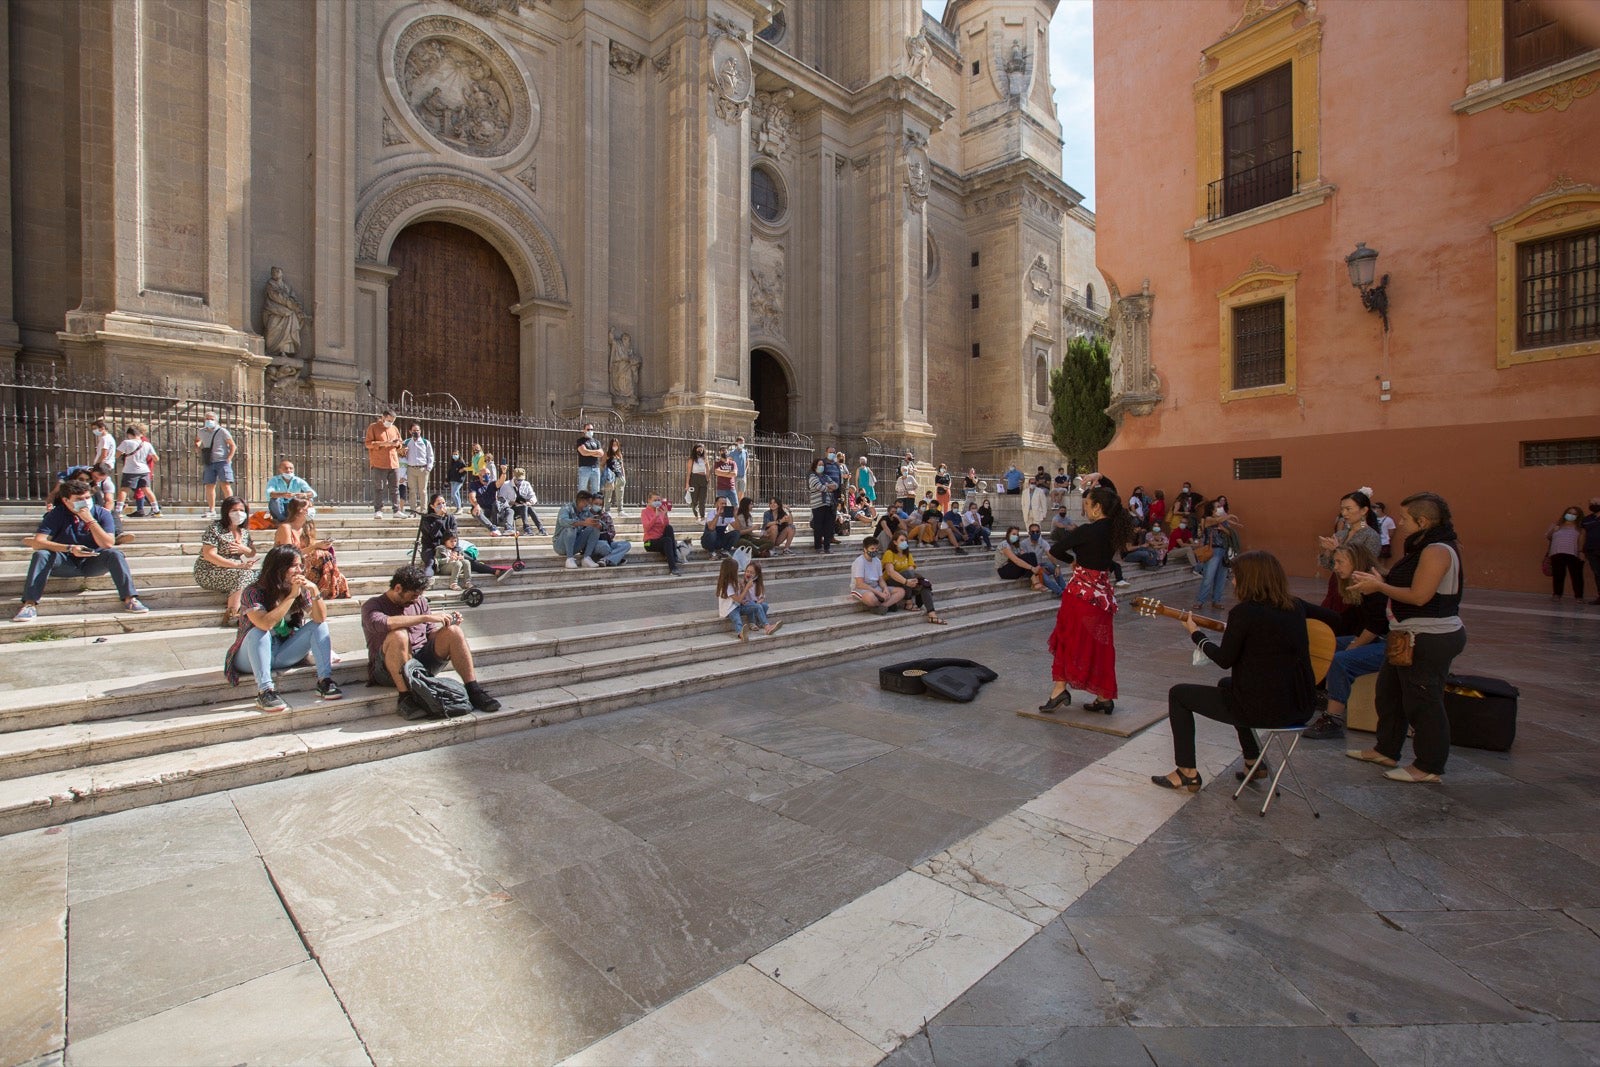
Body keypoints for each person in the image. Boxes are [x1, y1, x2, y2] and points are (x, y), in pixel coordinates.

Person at [1151, 551, 1316, 793]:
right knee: (1226, 684)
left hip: (1263, 710)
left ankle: (1186, 772)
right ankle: (1253, 761)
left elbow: (1224, 659)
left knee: (1178, 694)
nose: (1233, 581)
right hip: (1300, 706)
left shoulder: (1244, 612)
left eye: (1236, 576)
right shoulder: (1296, 607)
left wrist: (1196, 634)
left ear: (1251, 579)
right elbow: (1334, 619)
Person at [1346, 492, 1466, 784]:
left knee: (1424, 702)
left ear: (1422, 521)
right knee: (1389, 693)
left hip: (1429, 637)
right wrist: (1381, 578)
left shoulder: (1437, 550)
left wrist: (1380, 587)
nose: (1399, 523)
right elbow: (1410, 582)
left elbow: (1420, 596)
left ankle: (1428, 765)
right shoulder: (1422, 548)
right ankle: (1386, 750)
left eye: (1404, 518)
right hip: (1406, 636)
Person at [361, 565, 501, 716]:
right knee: (399, 634)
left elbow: (431, 635)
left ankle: (473, 690)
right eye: (413, 596)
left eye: (419, 596)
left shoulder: (420, 602)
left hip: (419, 663)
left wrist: (446, 627)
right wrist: (425, 617)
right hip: (386, 670)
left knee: (454, 631)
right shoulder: (372, 605)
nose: (416, 600)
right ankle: (405, 697)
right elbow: (382, 623)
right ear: (398, 588)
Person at [1039, 486, 1131, 714]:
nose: (1085, 509)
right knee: (1100, 645)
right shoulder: (1115, 529)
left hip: (1080, 595)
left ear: (1098, 507)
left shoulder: (1088, 531)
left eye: (1088, 505)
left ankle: (1059, 689)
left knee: (1068, 638)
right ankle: (1104, 696)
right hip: (1102, 596)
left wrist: (1072, 561)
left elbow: (1055, 550)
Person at [220, 546, 342, 711]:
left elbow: (320, 618)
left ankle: (325, 681)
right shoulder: (253, 592)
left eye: (301, 565)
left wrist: (314, 590)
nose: (299, 570)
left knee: (319, 626)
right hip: (249, 657)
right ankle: (265, 691)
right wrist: (291, 596)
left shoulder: (300, 589)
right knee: (259, 631)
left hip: (283, 652)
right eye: (294, 566)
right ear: (278, 568)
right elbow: (265, 624)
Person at [15, 478, 149, 622]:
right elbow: (38, 542)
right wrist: (70, 548)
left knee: (115, 554)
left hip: (93, 561)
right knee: (41, 554)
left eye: (87, 497)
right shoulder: (56, 514)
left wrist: (90, 520)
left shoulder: (102, 513)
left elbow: (108, 543)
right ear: (66, 500)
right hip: (65, 562)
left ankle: (130, 599)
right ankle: (29, 604)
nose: (84, 502)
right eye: (79, 499)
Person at [1302, 542, 1388, 740]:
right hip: (1372, 637)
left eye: (1340, 562)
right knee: (1322, 645)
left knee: (1341, 660)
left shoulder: (1373, 584)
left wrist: (1354, 646)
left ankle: (1333, 719)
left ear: (1356, 561)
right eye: (1335, 562)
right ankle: (1315, 691)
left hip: (1387, 643)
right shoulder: (1354, 585)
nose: (1336, 567)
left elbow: (1375, 626)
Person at [194, 495, 259, 626]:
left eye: (241, 510)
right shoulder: (215, 528)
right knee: (244, 575)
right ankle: (232, 614)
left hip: (234, 570)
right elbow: (209, 555)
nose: (238, 513)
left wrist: (244, 550)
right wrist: (237, 565)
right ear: (226, 511)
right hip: (210, 571)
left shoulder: (244, 532)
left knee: (262, 575)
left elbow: (252, 552)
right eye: (234, 510)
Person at [1317, 491, 1382, 611]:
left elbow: (1366, 565)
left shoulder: (1371, 536)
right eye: (1342, 509)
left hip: (1354, 587)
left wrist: (1337, 550)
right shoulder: (1340, 534)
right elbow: (1327, 565)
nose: (1344, 513)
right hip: (1336, 584)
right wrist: (1328, 550)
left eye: (1348, 509)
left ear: (1364, 510)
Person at [276, 497, 350, 599]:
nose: (312, 510)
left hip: (304, 562)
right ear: (299, 510)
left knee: (325, 555)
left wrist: (322, 546)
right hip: (288, 564)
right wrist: (315, 546)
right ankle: (324, 590)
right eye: (309, 507)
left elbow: (311, 548)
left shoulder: (307, 527)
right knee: (322, 556)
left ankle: (324, 590)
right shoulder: (285, 528)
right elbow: (289, 554)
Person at [882, 531, 948, 625]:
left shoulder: (908, 555)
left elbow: (911, 571)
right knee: (907, 574)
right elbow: (890, 572)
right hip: (891, 581)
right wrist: (906, 581)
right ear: (895, 542)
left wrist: (913, 581)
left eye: (906, 540)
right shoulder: (889, 553)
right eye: (902, 540)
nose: (904, 542)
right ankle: (908, 602)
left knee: (924, 585)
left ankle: (932, 615)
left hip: (906, 582)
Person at [1192, 496, 1242, 612]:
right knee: (1208, 577)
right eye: (1218, 506)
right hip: (1213, 550)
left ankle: (1217, 600)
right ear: (1212, 509)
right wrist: (1229, 516)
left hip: (1224, 550)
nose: (1220, 508)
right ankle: (1200, 601)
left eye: (1220, 506)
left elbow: (1229, 533)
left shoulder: (1223, 521)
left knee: (1221, 578)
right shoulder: (1208, 519)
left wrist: (1223, 528)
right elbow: (1216, 521)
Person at [193, 411, 237, 520]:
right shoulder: (201, 431)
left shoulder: (222, 431)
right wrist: (197, 446)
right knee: (209, 485)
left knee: (225, 485)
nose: (209, 421)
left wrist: (229, 458)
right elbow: (198, 440)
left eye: (212, 419)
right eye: (207, 419)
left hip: (222, 461)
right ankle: (211, 510)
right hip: (209, 461)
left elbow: (232, 445)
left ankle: (231, 509)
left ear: (216, 420)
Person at [849, 536, 906, 614]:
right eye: (872, 549)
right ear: (865, 549)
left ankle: (883, 606)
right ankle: (887, 605)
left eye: (876, 549)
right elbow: (860, 584)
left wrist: (885, 589)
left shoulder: (877, 561)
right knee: (870, 598)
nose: (875, 551)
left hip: (875, 586)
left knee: (901, 591)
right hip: (861, 588)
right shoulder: (859, 562)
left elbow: (881, 579)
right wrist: (879, 593)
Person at [114, 424, 161, 518]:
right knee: (147, 490)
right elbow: (156, 458)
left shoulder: (126, 442)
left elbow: (116, 455)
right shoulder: (147, 444)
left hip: (130, 470)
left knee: (124, 490)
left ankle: (118, 511)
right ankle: (156, 510)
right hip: (144, 470)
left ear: (129, 434)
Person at [364, 410, 403, 519]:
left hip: (393, 463)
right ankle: (378, 510)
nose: (390, 423)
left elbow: (400, 442)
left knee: (395, 488)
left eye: (392, 421)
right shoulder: (373, 427)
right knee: (379, 488)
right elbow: (368, 444)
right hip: (379, 463)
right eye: (389, 420)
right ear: (383, 417)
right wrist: (385, 443)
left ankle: (397, 510)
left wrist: (397, 444)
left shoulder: (394, 428)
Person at [1546, 504, 1587, 601]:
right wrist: (1553, 530)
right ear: (1565, 514)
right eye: (1569, 513)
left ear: (1578, 516)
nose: (1571, 515)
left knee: (1576, 576)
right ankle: (1557, 594)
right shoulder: (1557, 525)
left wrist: (1581, 552)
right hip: (1557, 553)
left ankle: (1579, 596)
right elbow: (1549, 537)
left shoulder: (1580, 528)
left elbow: (1582, 540)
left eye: (1574, 514)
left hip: (1573, 553)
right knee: (1558, 575)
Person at [641, 492, 688, 576]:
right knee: (667, 540)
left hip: (660, 540)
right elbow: (646, 528)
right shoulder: (645, 512)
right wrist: (655, 516)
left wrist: (665, 515)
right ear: (649, 500)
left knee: (669, 528)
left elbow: (665, 526)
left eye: (658, 500)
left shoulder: (660, 511)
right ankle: (673, 568)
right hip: (649, 542)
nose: (657, 502)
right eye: (655, 500)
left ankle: (674, 557)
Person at [554, 490, 604, 568]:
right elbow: (563, 521)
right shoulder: (566, 508)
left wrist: (598, 524)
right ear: (581, 500)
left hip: (575, 545)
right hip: (560, 546)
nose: (588, 505)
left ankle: (587, 558)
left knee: (594, 528)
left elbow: (596, 522)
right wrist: (583, 523)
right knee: (571, 527)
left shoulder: (585, 511)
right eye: (587, 502)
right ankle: (569, 559)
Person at [265, 459, 317, 524]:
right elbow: (269, 493)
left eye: (291, 468)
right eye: (286, 468)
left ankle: (305, 519)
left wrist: (304, 495)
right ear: (280, 470)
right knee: (274, 499)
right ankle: (283, 520)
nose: (289, 470)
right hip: (280, 507)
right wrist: (283, 495)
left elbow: (312, 493)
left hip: (293, 506)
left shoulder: (298, 480)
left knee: (308, 499)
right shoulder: (274, 480)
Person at [498, 467, 546, 535]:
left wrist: (530, 502)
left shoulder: (526, 484)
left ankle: (541, 528)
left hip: (523, 507)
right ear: (514, 477)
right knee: (524, 507)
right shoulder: (506, 485)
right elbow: (501, 499)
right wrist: (512, 502)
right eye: (518, 479)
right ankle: (526, 528)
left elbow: (533, 496)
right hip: (511, 508)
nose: (520, 481)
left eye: (521, 480)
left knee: (529, 507)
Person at [808, 455, 840, 553]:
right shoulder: (812, 477)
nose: (821, 466)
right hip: (818, 505)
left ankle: (827, 547)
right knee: (818, 527)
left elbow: (836, 485)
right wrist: (828, 487)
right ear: (815, 466)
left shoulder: (826, 477)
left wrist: (827, 485)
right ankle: (818, 547)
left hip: (828, 504)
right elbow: (819, 487)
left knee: (828, 527)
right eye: (819, 464)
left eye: (822, 465)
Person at [402, 423, 435, 510]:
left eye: (417, 430)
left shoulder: (425, 442)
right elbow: (402, 455)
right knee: (412, 491)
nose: (416, 432)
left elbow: (430, 456)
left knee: (423, 491)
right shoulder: (406, 442)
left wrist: (428, 468)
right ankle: (413, 510)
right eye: (414, 430)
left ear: (420, 431)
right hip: (411, 469)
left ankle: (423, 510)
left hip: (422, 469)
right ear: (410, 431)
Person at [469, 468, 510, 536]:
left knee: (496, 503)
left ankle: (495, 523)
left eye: (488, 474)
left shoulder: (492, 484)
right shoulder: (474, 484)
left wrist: (504, 472)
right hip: (481, 508)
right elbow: (472, 497)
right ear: (479, 475)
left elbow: (500, 482)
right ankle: (492, 528)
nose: (487, 476)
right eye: (484, 474)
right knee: (475, 510)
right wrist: (476, 505)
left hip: (492, 510)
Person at [575, 421, 604, 495]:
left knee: (596, 490)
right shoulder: (580, 441)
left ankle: (594, 503)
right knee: (582, 489)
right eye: (588, 429)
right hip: (584, 468)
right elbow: (583, 452)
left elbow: (601, 454)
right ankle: (581, 503)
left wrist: (589, 452)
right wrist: (596, 452)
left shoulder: (597, 442)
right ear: (584, 430)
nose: (590, 431)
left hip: (596, 468)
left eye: (591, 429)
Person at [600, 438, 627, 516]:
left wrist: (624, 477)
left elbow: (622, 466)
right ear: (610, 445)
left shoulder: (619, 455)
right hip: (611, 477)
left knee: (620, 494)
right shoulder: (607, 454)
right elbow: (602, 465)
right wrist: (606, 474)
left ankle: (620, 510)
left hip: (619, 476)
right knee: (608, 494)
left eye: (616, 445)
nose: (615, 446)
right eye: (613, 445)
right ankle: (607, 510)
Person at [685, 444, 710, 519]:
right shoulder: (692, 459)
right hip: (694, 479)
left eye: (701, 449)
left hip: (703, 479)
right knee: (694, 499)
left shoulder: (705, 459)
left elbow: (708, 469)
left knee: (703, 499)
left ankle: (702, 516)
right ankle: (696, 515)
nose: (700, 451)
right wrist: (687, 483)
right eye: (698, 449)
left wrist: (707, 478)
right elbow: (688, 472)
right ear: (695, 450)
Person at [1584, 499, 1600, 605]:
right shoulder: (1587, 519)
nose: (1593, 505)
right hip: (1591, 550)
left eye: (1596, 503)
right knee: (1597, 573)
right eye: (1591, 503)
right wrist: (1581, 550)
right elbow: (1583, 534)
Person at [729, 436, 750, 502]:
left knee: (741, 492)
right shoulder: (732, 452)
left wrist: (745, 470)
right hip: (734, 475)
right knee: (734, 492)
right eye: (740, 443)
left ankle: (740, 505)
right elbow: (729, 463)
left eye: (743, 443)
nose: (742, 444)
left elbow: (747, 462)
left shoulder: (745, 452)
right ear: (737, 443)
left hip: (743, 476)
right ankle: (735, 505)